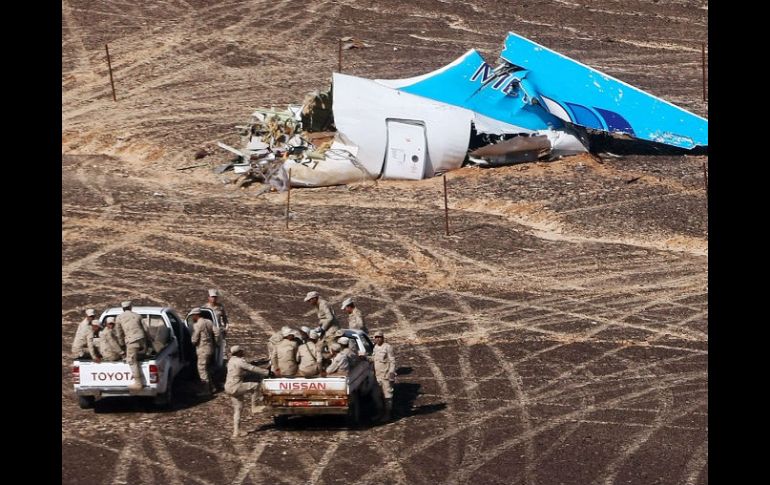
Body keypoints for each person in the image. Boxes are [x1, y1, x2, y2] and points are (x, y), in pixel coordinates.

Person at [224, 345, 270, 439]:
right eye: (241, 351)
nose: (243, 352)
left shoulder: (231, 361)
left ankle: (236, 432)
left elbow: (241, 370)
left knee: (238, 409)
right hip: (236, 386)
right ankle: (254, 406)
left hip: (228, 387)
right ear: (238, 352)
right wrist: (267, 372)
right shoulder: (240, 361)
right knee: (256, 385)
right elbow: (252, 368)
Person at [115, 301, 148, 391]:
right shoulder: (137, 315)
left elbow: (119, 333)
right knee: (140, 355)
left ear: (123, 308)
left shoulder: (119, 318)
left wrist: (121, 344)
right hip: (141, 339)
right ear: (130, 307)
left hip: (132, 341)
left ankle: (138, 383)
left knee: (131, 360)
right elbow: (146, 329)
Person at [369, 330, 396, 422]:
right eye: (376, 337)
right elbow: (373, 358)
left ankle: (388, 415)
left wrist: (391, 372)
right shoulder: (375, 347)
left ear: (383, 338)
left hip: (386, 376)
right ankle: (380, 413)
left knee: (387, 396)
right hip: (377, 376)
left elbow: (392, 361)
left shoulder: (388, 347)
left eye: (379, 337)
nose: (377, 339)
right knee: (376, 396)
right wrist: (365, 357)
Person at [190, 307, 216, 396]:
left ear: (196, 315)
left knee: (202, 369)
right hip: (210, 348)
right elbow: (217, 332)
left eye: (193, 315)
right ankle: (212, 387)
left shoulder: (197, 325)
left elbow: (195, 339)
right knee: (207, 368)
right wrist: (216, 343)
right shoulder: (209, 322)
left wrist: (192, 342)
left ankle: (206, 390)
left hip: (202, 349)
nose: (192, 317)